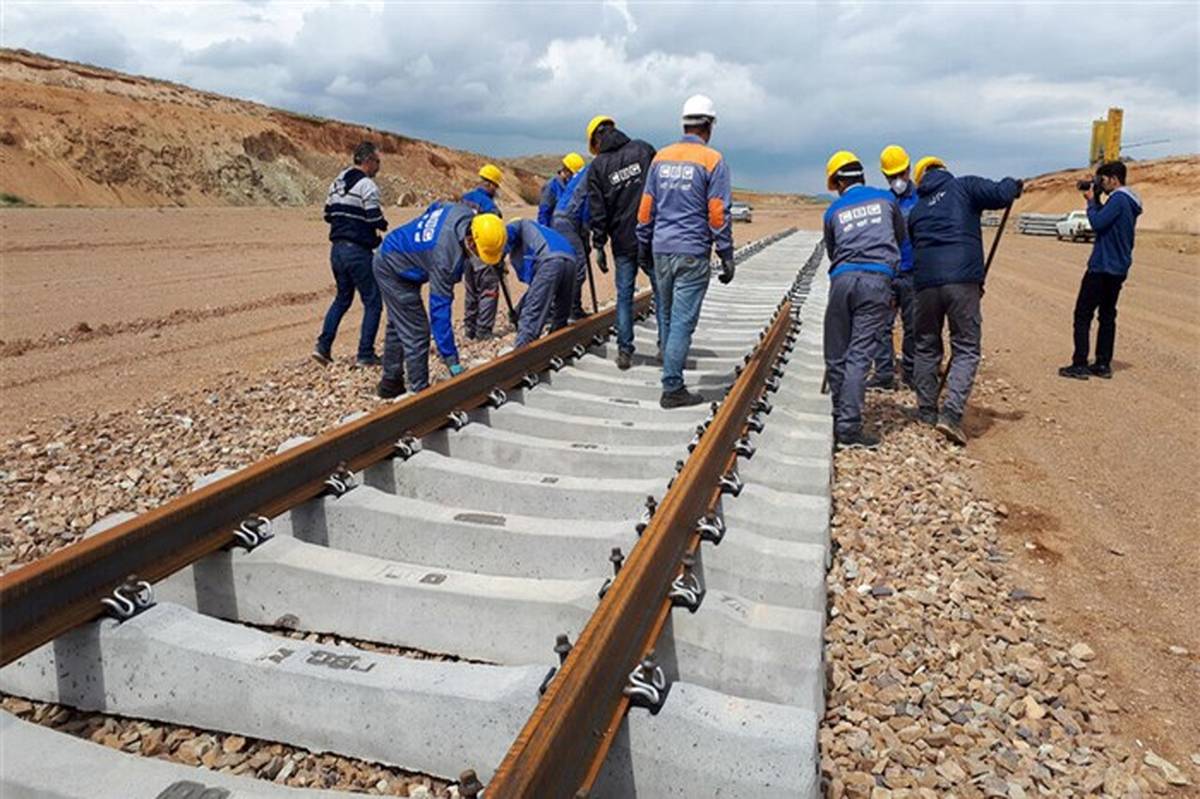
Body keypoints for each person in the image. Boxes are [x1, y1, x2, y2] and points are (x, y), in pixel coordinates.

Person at [907, 156, 1022, 444]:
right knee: (966, 347)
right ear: (943, 169)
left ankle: (926, 411)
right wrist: (1013, 184)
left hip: (924, 285)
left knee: (925, 346)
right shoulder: (964, 187)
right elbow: (1001, 194)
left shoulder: (917, 210)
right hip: (962, 281)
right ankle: (951, 414)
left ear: (920, 180)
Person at [636, 95, 734, 409]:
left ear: (684, 124)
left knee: (665, 315)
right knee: (681, 322)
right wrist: (726, 253)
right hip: (692, 250)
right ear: (709, 126)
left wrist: (643, 243)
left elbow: (646, 207)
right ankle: (672, 386)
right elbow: (717, 212)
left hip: (661, 248)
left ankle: (669, 369)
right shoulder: (712, 160)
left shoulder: (661, 158)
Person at [372, 204, 506, 398]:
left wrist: (424, 233)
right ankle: (419, 394)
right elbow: (440, 313)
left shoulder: (461, 212)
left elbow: (435, 207)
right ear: (470, 241)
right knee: (417, 331)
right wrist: (452, 361)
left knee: (399, 323)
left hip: (397, 252)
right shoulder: (445, 259)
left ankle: (390, 384)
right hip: (392, 268)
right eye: (479, 252)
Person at [821, 150, 907, 449]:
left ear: (838, 183)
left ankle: (839, 412)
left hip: (842, 279)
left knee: (836, 350)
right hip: (877, 281)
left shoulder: (833, 211)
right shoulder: (887, 200)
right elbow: (899, 236)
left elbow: (832, 250)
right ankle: (848, 427)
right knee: (859, 353)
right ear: (861, 176)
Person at [1058, 161, 1142, 380]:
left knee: (1083, 314)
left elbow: (1097, 223)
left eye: (1102, 180)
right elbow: (1109, 221)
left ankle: (1080, 364)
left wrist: (1091, 202)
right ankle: (1103, 364)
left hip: (1102, 266)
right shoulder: (1129, 201)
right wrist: (1097, 200)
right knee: (1107, 315)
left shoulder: (1119, 199)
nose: (1101, 185)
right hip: (1118, 267)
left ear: (1113, 179)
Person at [586, 115, 657, 370]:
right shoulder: (643, 149)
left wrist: (598, 245)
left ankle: (625, 351)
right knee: (662, 292)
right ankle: (667, 346)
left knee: (624, 297)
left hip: (622, 242)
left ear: (596, 141)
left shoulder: (598, 167)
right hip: (651, 237)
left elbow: (598, 212)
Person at [314, 141, 387, 367]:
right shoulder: (367, 185)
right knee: (373, 301)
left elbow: (328, 214)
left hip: (336, 249)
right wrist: (381, 226)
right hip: (357, 250)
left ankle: (323, 346)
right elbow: (374, 217)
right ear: (368, 161)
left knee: (342, 298)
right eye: (377, 162)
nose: (378, 167)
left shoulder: (337, 181)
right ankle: (365, 353)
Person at [869, 144, 920, 390]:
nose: (897, 180)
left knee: (913, 326)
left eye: (901, 174)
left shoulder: (921, 199)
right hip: (888, 274)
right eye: (892, 176)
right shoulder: (884, 202)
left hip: (913, 273)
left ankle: (910, 372)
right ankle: (884, 373)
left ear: (909, 169)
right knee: (881, 325)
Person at [503, 219, 576, 346]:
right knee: (561, 313)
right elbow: (536, 290)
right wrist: (518, 310)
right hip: (571, 259)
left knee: (532, 315)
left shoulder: (518, 225)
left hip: (550, 260)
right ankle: (557, 344)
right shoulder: (541, 232)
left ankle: (523, 350)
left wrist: (499, 255)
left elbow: (505, 235)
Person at [462, 164, 504, 340]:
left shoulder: (465, 198)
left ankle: (469, 329)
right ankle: (483, 331)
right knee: (489, 289)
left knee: (471, 290)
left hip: (465, 251)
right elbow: (495, 232)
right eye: (496, 187)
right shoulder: (490, 206)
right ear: (491, 184)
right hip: (483, 251)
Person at [551, 160, 593, 320]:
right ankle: (569, 310)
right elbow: (587, 204)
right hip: (567, 222)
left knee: (570, 266)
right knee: (578, 267)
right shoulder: (593, 173)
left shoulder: (584, 173)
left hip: (564, 220)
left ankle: (571, 308)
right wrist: (586, 231)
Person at [538, 152, 585, 225]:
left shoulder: (575, 186)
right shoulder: (551, 186)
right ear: (566, 170)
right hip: (555, 228)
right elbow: (544, 213)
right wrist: (544, 230)